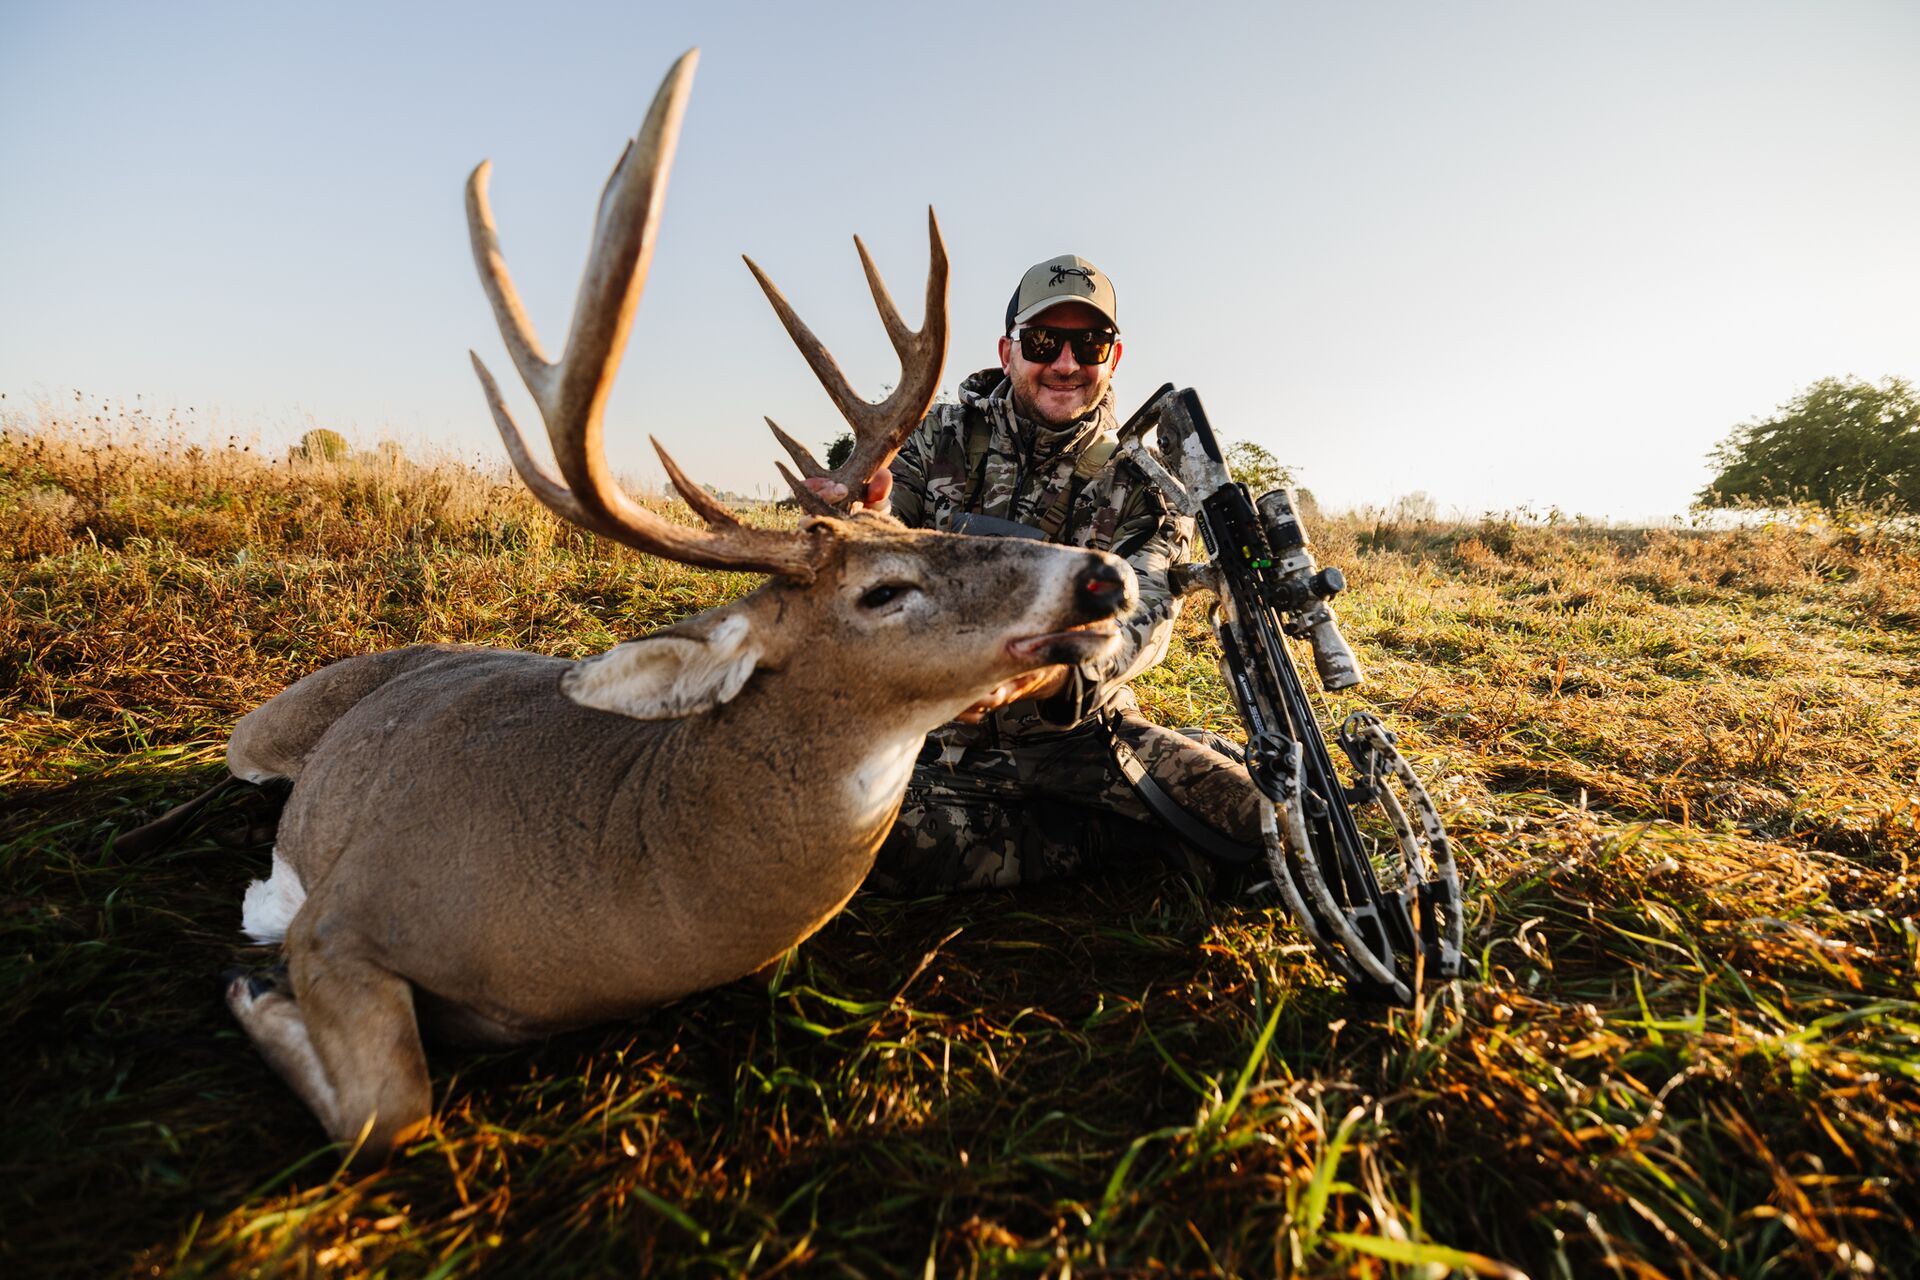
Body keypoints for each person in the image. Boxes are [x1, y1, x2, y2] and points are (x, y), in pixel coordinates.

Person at [817, 255, 1264, 894]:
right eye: (1044, 342)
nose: (1065, 363)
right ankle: (1119, 842)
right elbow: (879, 545)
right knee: (842, 835)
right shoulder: (930, 438)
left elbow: (1144, 615)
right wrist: (854, 522)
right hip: (927, 731)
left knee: (1264, 827)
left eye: (1091, 343)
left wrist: (1052, 675)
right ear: (1008, 352)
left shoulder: (1147, 489)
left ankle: (1107, 826)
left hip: (1081, 737)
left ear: (1114, 358)